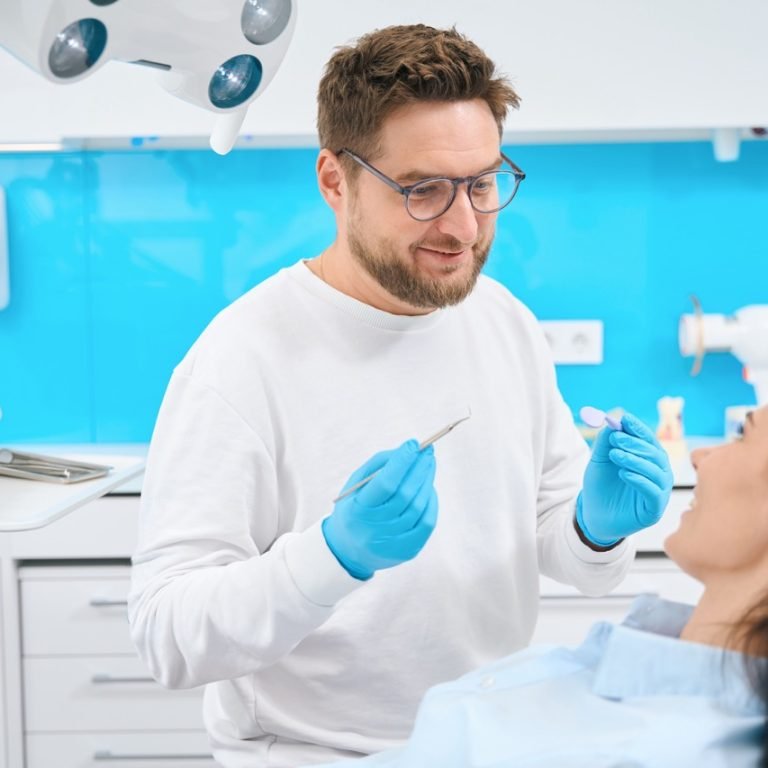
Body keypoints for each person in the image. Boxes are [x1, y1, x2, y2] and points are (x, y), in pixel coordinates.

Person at [128, 24, 674, 768]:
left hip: (483, 742)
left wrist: (592, 527)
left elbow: (563, 549)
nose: (463, 227)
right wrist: (331, 556)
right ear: (335, 181)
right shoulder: (241, 359)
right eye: (423, 191)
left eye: (482, 184)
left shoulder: (503, 320)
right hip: (315, 754)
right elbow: (168, 638)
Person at [311, 405, 768, 768]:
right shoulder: (647, 676)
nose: (700, 456)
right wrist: (590, 530)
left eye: (742, 435)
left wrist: (331, 560)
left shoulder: (639, 748)